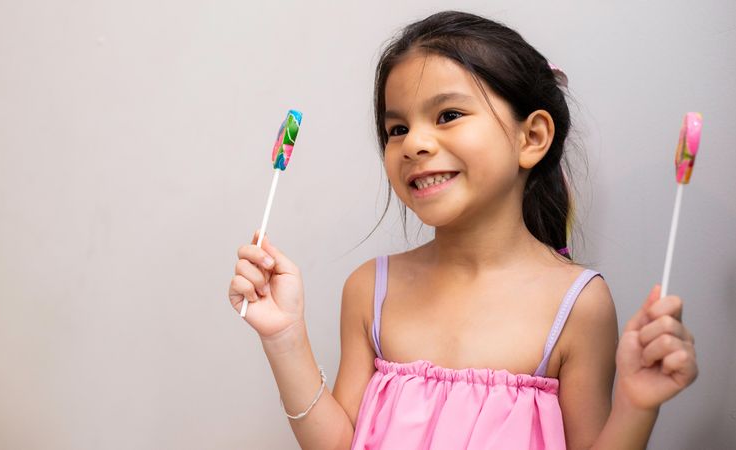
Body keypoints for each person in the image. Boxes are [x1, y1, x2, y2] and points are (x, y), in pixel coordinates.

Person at [228, 10, 698, 449]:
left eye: (448, 115)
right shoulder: (370, 289)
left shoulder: (578, 306)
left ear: (531, 137)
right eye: (396, 129)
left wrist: (637, 405)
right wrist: (284, 337)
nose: (413, 143)